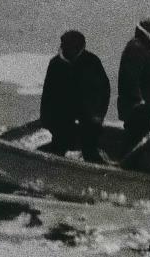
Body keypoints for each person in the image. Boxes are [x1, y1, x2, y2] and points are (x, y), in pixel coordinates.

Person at [39, 29, 110, 163]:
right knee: (59, 144)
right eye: (69, 47)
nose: (72, 51)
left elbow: (104, 90)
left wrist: (99, 114)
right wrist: (46, 118)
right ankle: (51, 169)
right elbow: (47, 93)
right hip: (62, 113)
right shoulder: (55, 64)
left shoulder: (92, 61)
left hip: (88, 113)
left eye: (76, 48)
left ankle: (95, 170)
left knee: (90, 147)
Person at [118, 17, 150, 155]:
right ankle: (126, 171)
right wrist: (139, 102)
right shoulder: (136, 48)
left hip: (145, 109)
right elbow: (130, 79)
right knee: (134, 142)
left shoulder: (149, 48)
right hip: (138, 109)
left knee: (140, 142)